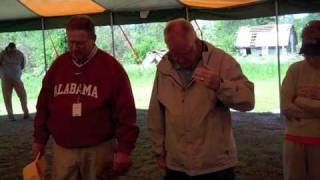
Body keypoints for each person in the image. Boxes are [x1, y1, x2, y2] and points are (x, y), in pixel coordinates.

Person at [32, 15, 139, 180]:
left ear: (93, 39)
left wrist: (124, 150)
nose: (74, 48)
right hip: (63, 148)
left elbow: (126, 112)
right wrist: (39, 139)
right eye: (71, 42)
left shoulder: (111, 68)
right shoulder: (59, 66)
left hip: (99, 148)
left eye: (80, 43)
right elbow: (43, 105)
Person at [148, 18, 255, 180]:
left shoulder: (221, 61)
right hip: (176, 164)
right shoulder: (164, 67)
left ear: (196, 41)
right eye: (175, 54)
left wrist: (220, 85)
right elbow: (156, 112)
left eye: (186, 53)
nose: (181, 60)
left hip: (215, 165)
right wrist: (158, 150)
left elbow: (248, 100)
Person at [281, 20, 320, 180]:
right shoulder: (295, 69)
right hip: (294, 139)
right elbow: (285, 107)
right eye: (307, 52)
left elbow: (292, 104)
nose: (309, 57)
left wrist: (300, 100)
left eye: (314, 53)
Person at [0, 42, 29, 121]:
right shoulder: (2, 54)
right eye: (11, 49)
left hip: (16, 78)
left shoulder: (20, 54)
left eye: (13, 49)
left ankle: (26, 112)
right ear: (8, 48)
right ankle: (10, 115)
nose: (12, 51)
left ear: (15, 48)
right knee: (7, 98)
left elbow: (22, 65)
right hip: (5, 79)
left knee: (23, 95)